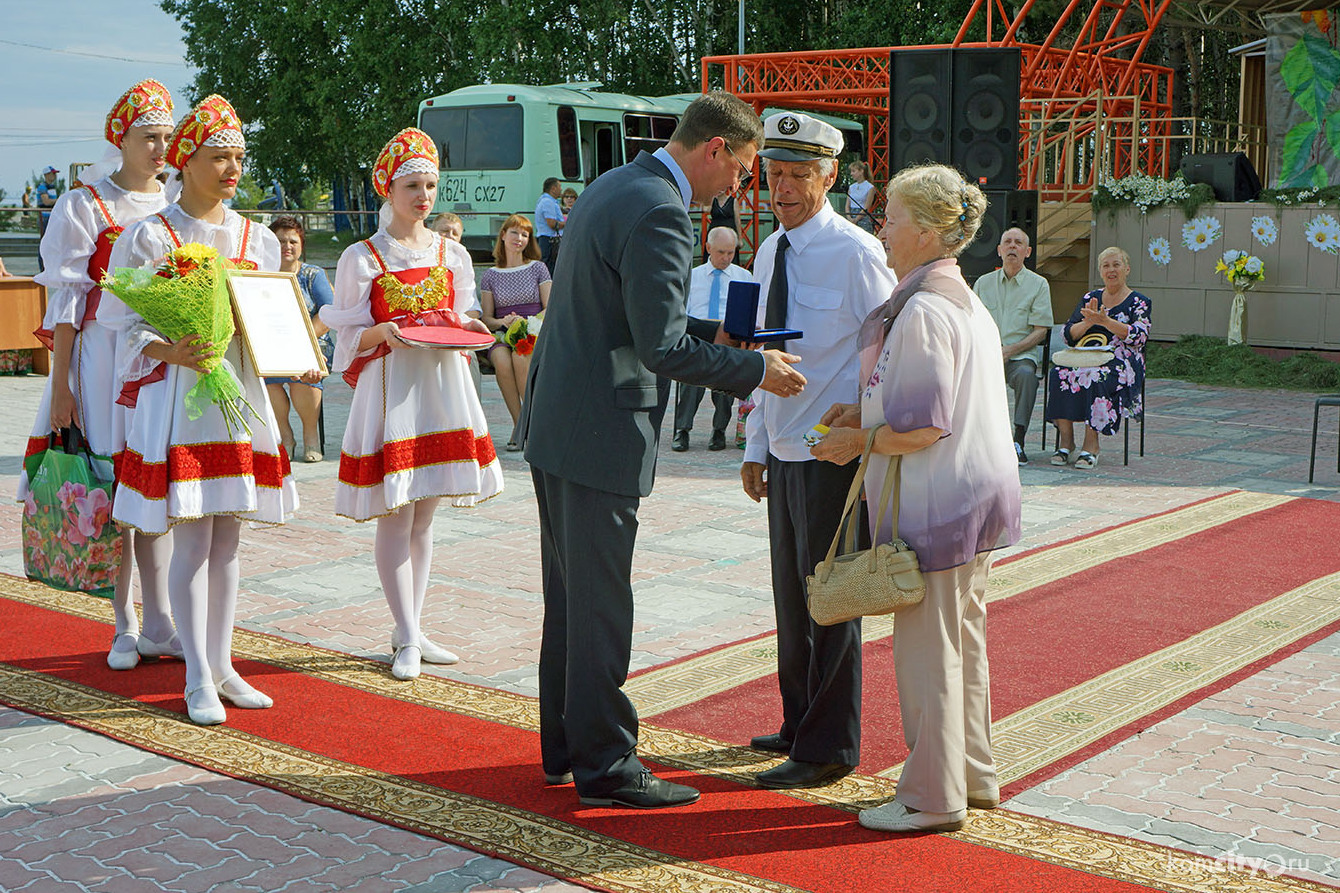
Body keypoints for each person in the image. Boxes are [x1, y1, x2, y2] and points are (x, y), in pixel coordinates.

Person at [517, 91, 806, 809]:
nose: (739, 189)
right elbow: (661, 346)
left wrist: (718, 336)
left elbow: (635, 312)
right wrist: (756, 369)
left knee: (572, 597)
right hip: (601, 429)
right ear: (714, 149)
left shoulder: (620, 183)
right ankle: (608, 765)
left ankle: (567, 743)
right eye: (741, 170)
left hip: (561, 420)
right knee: (602, 604)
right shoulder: (663, 212)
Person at [812, 162, 1021, 833]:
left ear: (928, 231)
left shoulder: (924, 307)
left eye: (893, 216)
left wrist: (858, 443)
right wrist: (863, 410)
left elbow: (926, 422)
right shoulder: (957, 297)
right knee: (962, 639)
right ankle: (973, 773)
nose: (882, 226)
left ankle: (933, 795)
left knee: (928, 650)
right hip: (973, 496)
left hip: (940, 501)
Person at [101, 94, 299, 726]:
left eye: (239, 156)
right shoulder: (149, 235)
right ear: (185, 162)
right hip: (179, 398)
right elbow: (121, 322)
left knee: (229, 539)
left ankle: (224, 663)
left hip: (235, 395)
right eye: (219, 156)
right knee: (191, 537)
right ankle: (196, 677)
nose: (232, 168)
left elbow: (271, 318)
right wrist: (170, 347)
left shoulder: (258, 238)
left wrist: (292, 348)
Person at [741, 113, 897, 791]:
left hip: (831, 453)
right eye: (774, 174)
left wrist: (866, 433)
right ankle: (798, 720)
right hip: (783, 447)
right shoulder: (766, 252)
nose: (784, 188)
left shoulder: (859, 254)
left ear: (830, 176)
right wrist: (753, 442)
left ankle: (830, 745)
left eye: (799, 175)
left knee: (831, 601)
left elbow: (887, 353)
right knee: (790, 599)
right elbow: (763, 356)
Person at [321, 128, 502, 682]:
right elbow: (347, 336)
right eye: (412, 186)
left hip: (442, 383)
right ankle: (403, 635)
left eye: (430, 185)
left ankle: (414, 629)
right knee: (398, 511)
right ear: (389, 190)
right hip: (394, 386)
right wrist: (383, 332)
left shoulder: (451, 252)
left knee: (425, 514)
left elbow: (464, 314)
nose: (424, 196)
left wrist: (473, 326)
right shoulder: (362, 256)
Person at [18, 79, 179, 672]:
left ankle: (161, 622)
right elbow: (65, 302)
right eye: (149, 137)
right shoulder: (85, 204)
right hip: (102, 358)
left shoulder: (175, 205)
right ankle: (124, 623)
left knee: (153, 486)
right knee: (112, 488)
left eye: (167, 137)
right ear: (122, 139)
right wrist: (60, 385)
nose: (160, 149)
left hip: (159, 356)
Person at [1044, 246, 1150, 469]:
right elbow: (1067, 334)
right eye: (1106, 266)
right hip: (1087, 356)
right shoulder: (1090, 297)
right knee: (1058, 373)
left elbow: (1139, 337)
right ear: (1100, 271)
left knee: (1095, 376)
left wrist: (1106, 322)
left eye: (1116, 264)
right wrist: (1089, 322)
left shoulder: (1139, 302)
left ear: (1127, 269)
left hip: (1122, 361)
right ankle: (1066, 442)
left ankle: (1091, 446)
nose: (1111, 270)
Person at [973, 227, 1053, 465]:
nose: (1012, 246)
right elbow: (971, 322)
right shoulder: (983, 283)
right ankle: (977, 441)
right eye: (1007, 242)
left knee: (1027, 376)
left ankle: (1018, 439)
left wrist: (1009, 350)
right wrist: (989, 351)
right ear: (999, 250)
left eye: (1018, 243)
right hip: (986, 355)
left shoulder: (1039, 285)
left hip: (1020, 356)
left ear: (1027, 252)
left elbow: (1041, 330)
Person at [673, 225, 751, 452]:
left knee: (726, 385)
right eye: (721, 252)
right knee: (689, 383)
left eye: (730, 252)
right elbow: (681, 313)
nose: (726, 258)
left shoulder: (744, 276)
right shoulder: (692, 276)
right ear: (708, 248)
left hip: (728, 340)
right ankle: (682, 430)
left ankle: (719, 431)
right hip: (697, 337)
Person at [263, 216, 333, 462]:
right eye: (280, 241)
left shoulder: (313, 274)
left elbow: (328, 313)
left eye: (293, 241)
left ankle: (310, 435)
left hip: (311, 342)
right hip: (271, 345)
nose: (287, 246)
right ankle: (285, 435)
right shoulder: (260, 275)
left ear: (301, 245)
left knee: (305, 376)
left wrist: (301, 341)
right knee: (266, 378)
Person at [480, 213, 550, 444]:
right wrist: (504, 322)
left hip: (533, 328)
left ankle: (532, 423)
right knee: (501, 359)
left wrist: (528, 323)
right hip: (502, 331)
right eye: (514, 232)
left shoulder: (538, 268)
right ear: (503, 235)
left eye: (525, 234)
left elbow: (550, 308)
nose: (519, 238)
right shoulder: (490, 276)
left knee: (521, 356)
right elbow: (487, 318)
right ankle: (520, 425)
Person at [534, 177, 564, 273]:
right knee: (550, 269)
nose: (561, 189)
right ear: (553, 188)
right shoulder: (548, 202)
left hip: (547, 240)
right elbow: (552, 224)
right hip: (550, 241)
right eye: (559, 186)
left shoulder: (543, 200)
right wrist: (568, 223)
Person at [846, 161, 878, 233]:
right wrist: (849, 218)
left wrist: (856, 219)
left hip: (862, 217)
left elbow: (866, 207)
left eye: (854, 171)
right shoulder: (851, 187)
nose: (851, 174)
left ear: (861, 171)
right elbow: (847, 205)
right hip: (851, 214)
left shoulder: (870, 187)